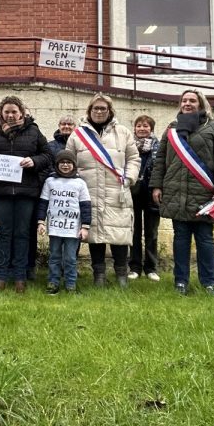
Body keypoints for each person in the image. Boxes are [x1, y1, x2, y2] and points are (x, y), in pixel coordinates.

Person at [150, 89, 214, 297]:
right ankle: (181, 282)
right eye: (184, 100)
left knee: (205, 239)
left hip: (204, 193)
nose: (187, 103)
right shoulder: (172, 129)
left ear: (201, 104)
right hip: (177, 192)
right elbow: (160, 160)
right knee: (181, 239)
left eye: (192, 101)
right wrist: (157, 185)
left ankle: (209, 283)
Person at [0, 95, 52, 293]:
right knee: (2, 234)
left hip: (26, 193)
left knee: (22, 234)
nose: (10, 115)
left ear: (22, 113)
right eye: (6, 112)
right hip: (0, 193)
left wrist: (34, 161)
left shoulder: (34, 132)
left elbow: (48, 156)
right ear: (1, 113)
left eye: (14, 112)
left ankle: (20, 276)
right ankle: (1, 276)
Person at [66, 93, 140, 288]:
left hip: (117, 191)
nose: (99, 112)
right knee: (94, 234)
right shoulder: (78, 134)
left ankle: (121, 273)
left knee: (119, 234)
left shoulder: (123, 132)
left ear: (110, 111)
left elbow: (133, 158)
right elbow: (68, 160)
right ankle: (99, 274)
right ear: (89, 111)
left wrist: (129, 177)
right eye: (95, 108)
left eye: (103, 109)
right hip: (88, 191)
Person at [37, 150, 92, 294]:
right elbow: (43, 202)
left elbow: (86, 205)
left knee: (70, 258)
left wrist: (85, 227)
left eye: (69, 163)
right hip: (55, 228)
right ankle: (53, 282)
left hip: (72, 229)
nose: (65, 165)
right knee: (54, 256)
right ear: (57, 164)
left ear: (74, 165)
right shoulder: (50, 181)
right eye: (62, 162)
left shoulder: (80, 183)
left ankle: (71, 284)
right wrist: (41, 221)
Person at [128, 115, 161, 281]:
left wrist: (158, 187)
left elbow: (161, 168)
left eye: (146, 126)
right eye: (139, 126)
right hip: (133, 194)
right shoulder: (128, 146)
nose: (142, 129)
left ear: (151, 129)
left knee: (151, 233)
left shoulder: (159, 146)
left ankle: (151, 268)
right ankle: (134, 267)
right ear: (134, 128)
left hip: (151, 193)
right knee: (133, 232)